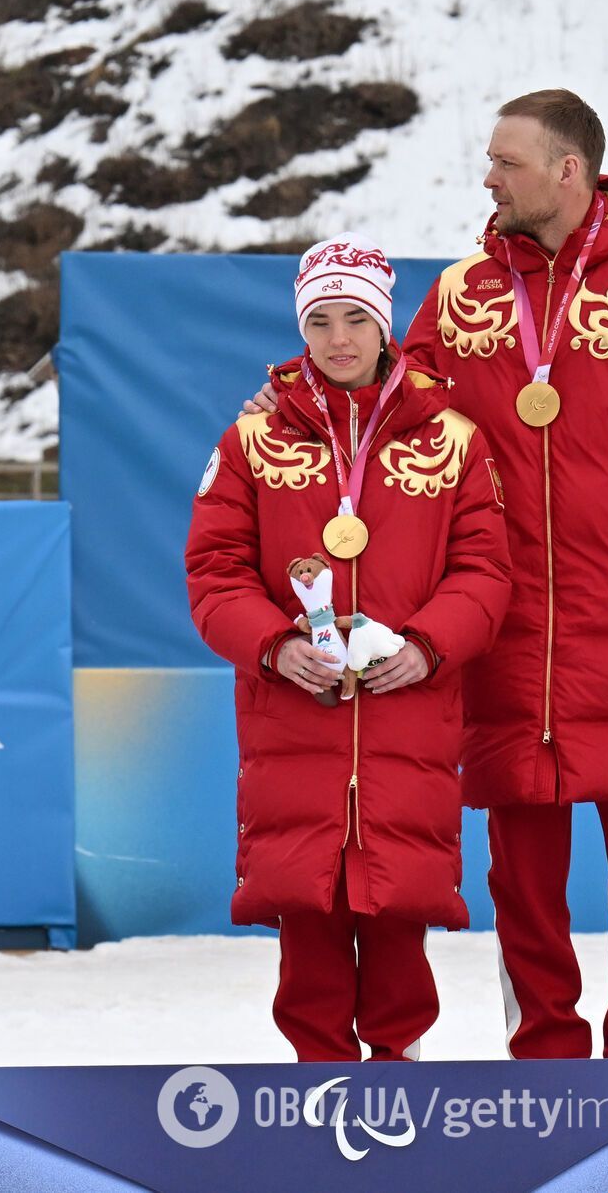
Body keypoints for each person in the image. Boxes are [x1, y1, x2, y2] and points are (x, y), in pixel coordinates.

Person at [248, 91, 608, 1059]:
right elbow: (408, 433)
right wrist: (294, 419)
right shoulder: (456, 295)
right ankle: (544, 1054)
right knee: (520, 874)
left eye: (505, 161)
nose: (486, 177)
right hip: (504, 627)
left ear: (565, 169)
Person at [188, 234, 511, 1061]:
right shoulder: (250, 442)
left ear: (384, 326)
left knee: (400, 932)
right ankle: (316, 1095)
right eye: (322, 320)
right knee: (311, 941)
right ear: (302, 329)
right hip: (295, 729)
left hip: (410, 723)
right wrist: (272, 647)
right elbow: (214, 575)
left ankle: (396, 1086)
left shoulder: (456, 441)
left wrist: (430, 646)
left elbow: (486, 572)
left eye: (356, 319)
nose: (339, 339)